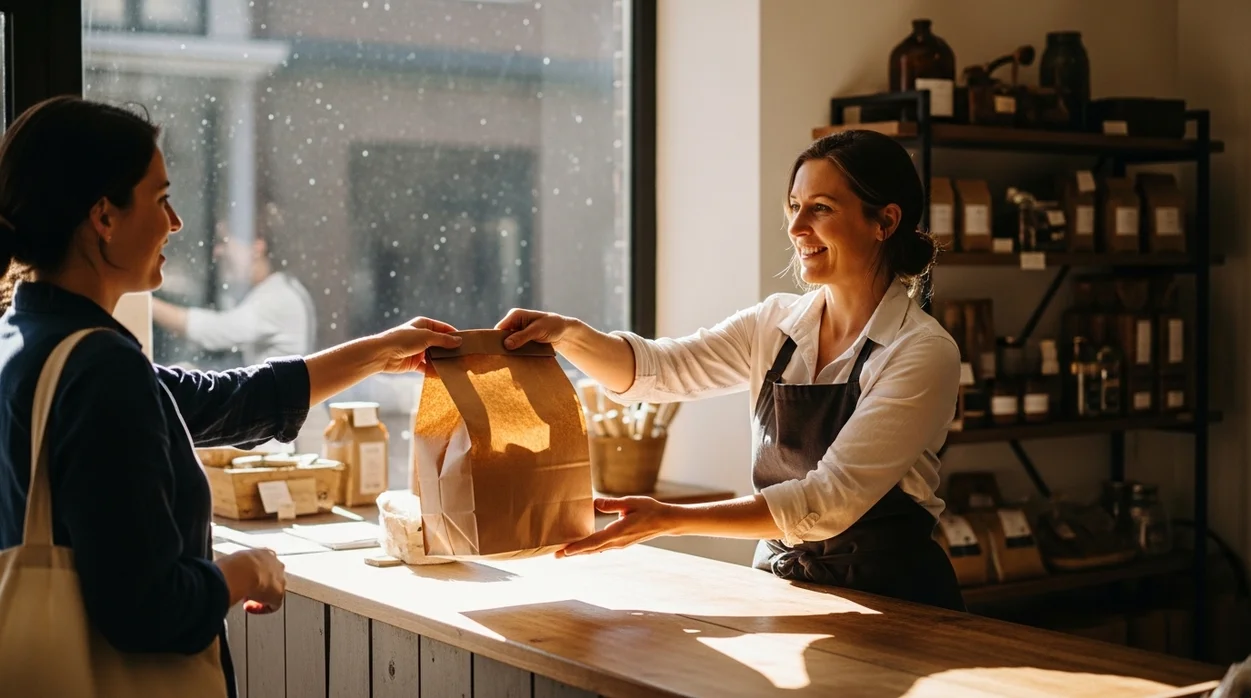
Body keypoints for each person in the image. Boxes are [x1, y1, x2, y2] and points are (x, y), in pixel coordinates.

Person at [0, 96, 461, 696]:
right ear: (104, 217)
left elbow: (227, 401)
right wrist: (246, 572)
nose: (175, 222)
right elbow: (147, 608)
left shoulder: (27, 340)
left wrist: (379, 350)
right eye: (160, 199)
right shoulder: (99, 368)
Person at [498, 129, 966, 611]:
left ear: (885, 221)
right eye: (794, 206)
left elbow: (828, 500)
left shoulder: (921, 352)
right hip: (784, 587)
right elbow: (662, 370)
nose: (796, 226)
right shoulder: (773, 324)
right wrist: (568, 336)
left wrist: (670, 519)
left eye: (821, 208)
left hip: (892, 601)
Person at [152, 202, 316, 366]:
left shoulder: (279, 298)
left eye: (224, 242)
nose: (217, 252)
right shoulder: (276, 289)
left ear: (257, 247)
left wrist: (148, 304)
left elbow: (215, 332)